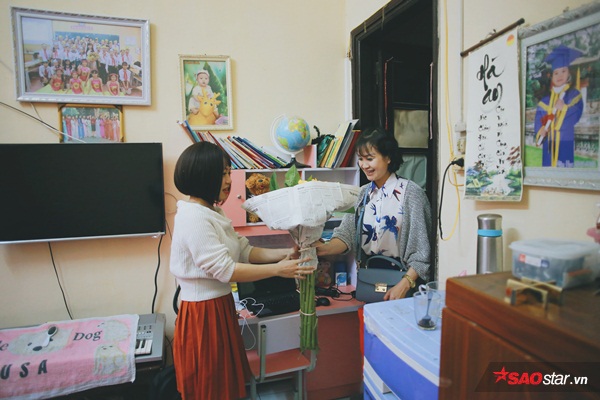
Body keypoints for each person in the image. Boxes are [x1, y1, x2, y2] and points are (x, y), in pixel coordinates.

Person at [170, 142, 315, 399]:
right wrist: (278, 270)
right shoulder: (193, 217)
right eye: (223, 174)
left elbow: (245, 250)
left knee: (224, 384)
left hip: (219, 306)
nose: (229, 180)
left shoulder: (212, 211)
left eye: (229, 172)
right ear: (203, 175)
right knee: (210, 387)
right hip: (204, 314)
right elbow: (225, 270)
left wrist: (284, 254)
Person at [313, 128, 432, 300]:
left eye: (370, 159)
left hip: (403, 283)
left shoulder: (411, 194)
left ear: (388, 158)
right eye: (361, 159)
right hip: (370, 279)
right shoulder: (362, 194)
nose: (364, 165)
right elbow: (346, 235)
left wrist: (405, 284)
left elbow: (422, 252)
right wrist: (321, 249)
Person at [534, 44, 584, 168]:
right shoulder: (545, 101)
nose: (560, 75)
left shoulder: (574, 95)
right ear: (551, 76)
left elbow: (576, 115)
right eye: (556, 73)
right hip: (548, 147)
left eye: (563, 71)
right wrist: (541, 131)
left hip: (565, 141)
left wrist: (564, 108)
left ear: (569, 73)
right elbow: (539, 122)